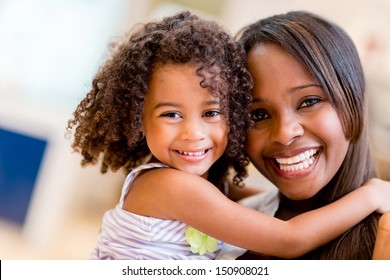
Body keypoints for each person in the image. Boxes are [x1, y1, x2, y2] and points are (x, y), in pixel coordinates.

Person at [66, 11, 390, 260]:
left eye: (211, 113)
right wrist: (371, 195)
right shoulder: (170, 186)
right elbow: (289, 238)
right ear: (137, 118)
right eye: (259, 114)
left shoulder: (205, 190)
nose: (193, 132)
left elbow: (236, 200)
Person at [230, 10, 389, 259]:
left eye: (309, 101)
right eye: (258, 115)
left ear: (354, 100)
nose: (284, 134)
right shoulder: (233, 222)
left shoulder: (383, 237)